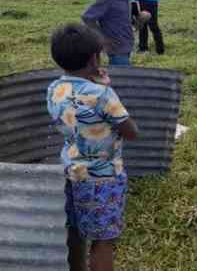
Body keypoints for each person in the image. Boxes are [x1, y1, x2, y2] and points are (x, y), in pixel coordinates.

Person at [47, 23, 139, 271]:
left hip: (70, 172)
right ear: (93, 58)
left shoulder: (54, 89)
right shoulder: (102, 95)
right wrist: (106, 88)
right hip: (104, 178)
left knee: (75, 232)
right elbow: (131, 132)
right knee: (103, 240)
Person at [82, 0, 149, 66]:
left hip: (127, 44)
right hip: (116, 49)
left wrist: (140, 20)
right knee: (123, 78)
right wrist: (103, 38)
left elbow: (120, 18)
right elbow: (87, 17)